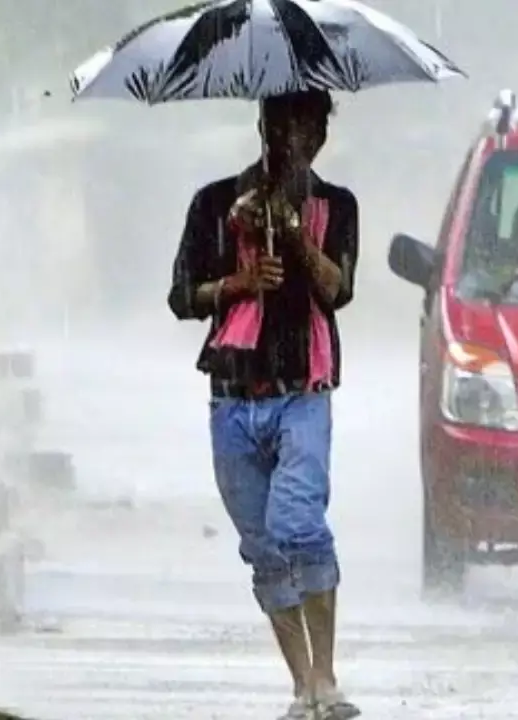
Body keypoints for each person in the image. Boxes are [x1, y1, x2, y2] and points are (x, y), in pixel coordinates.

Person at [167, 90, 361, 720]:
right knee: (262, 545)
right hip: (231, 395)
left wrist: (299, 241)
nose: (296, 141)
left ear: (323, 136)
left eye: (310, 128)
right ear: (263, 128)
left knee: (298, 525)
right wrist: (240, 281)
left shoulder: (337, 206)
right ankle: (302, 685)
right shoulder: (214, 203)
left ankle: (327, 677)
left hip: (304, 390)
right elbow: (181, 295)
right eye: (284, 127)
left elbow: (339, 289)